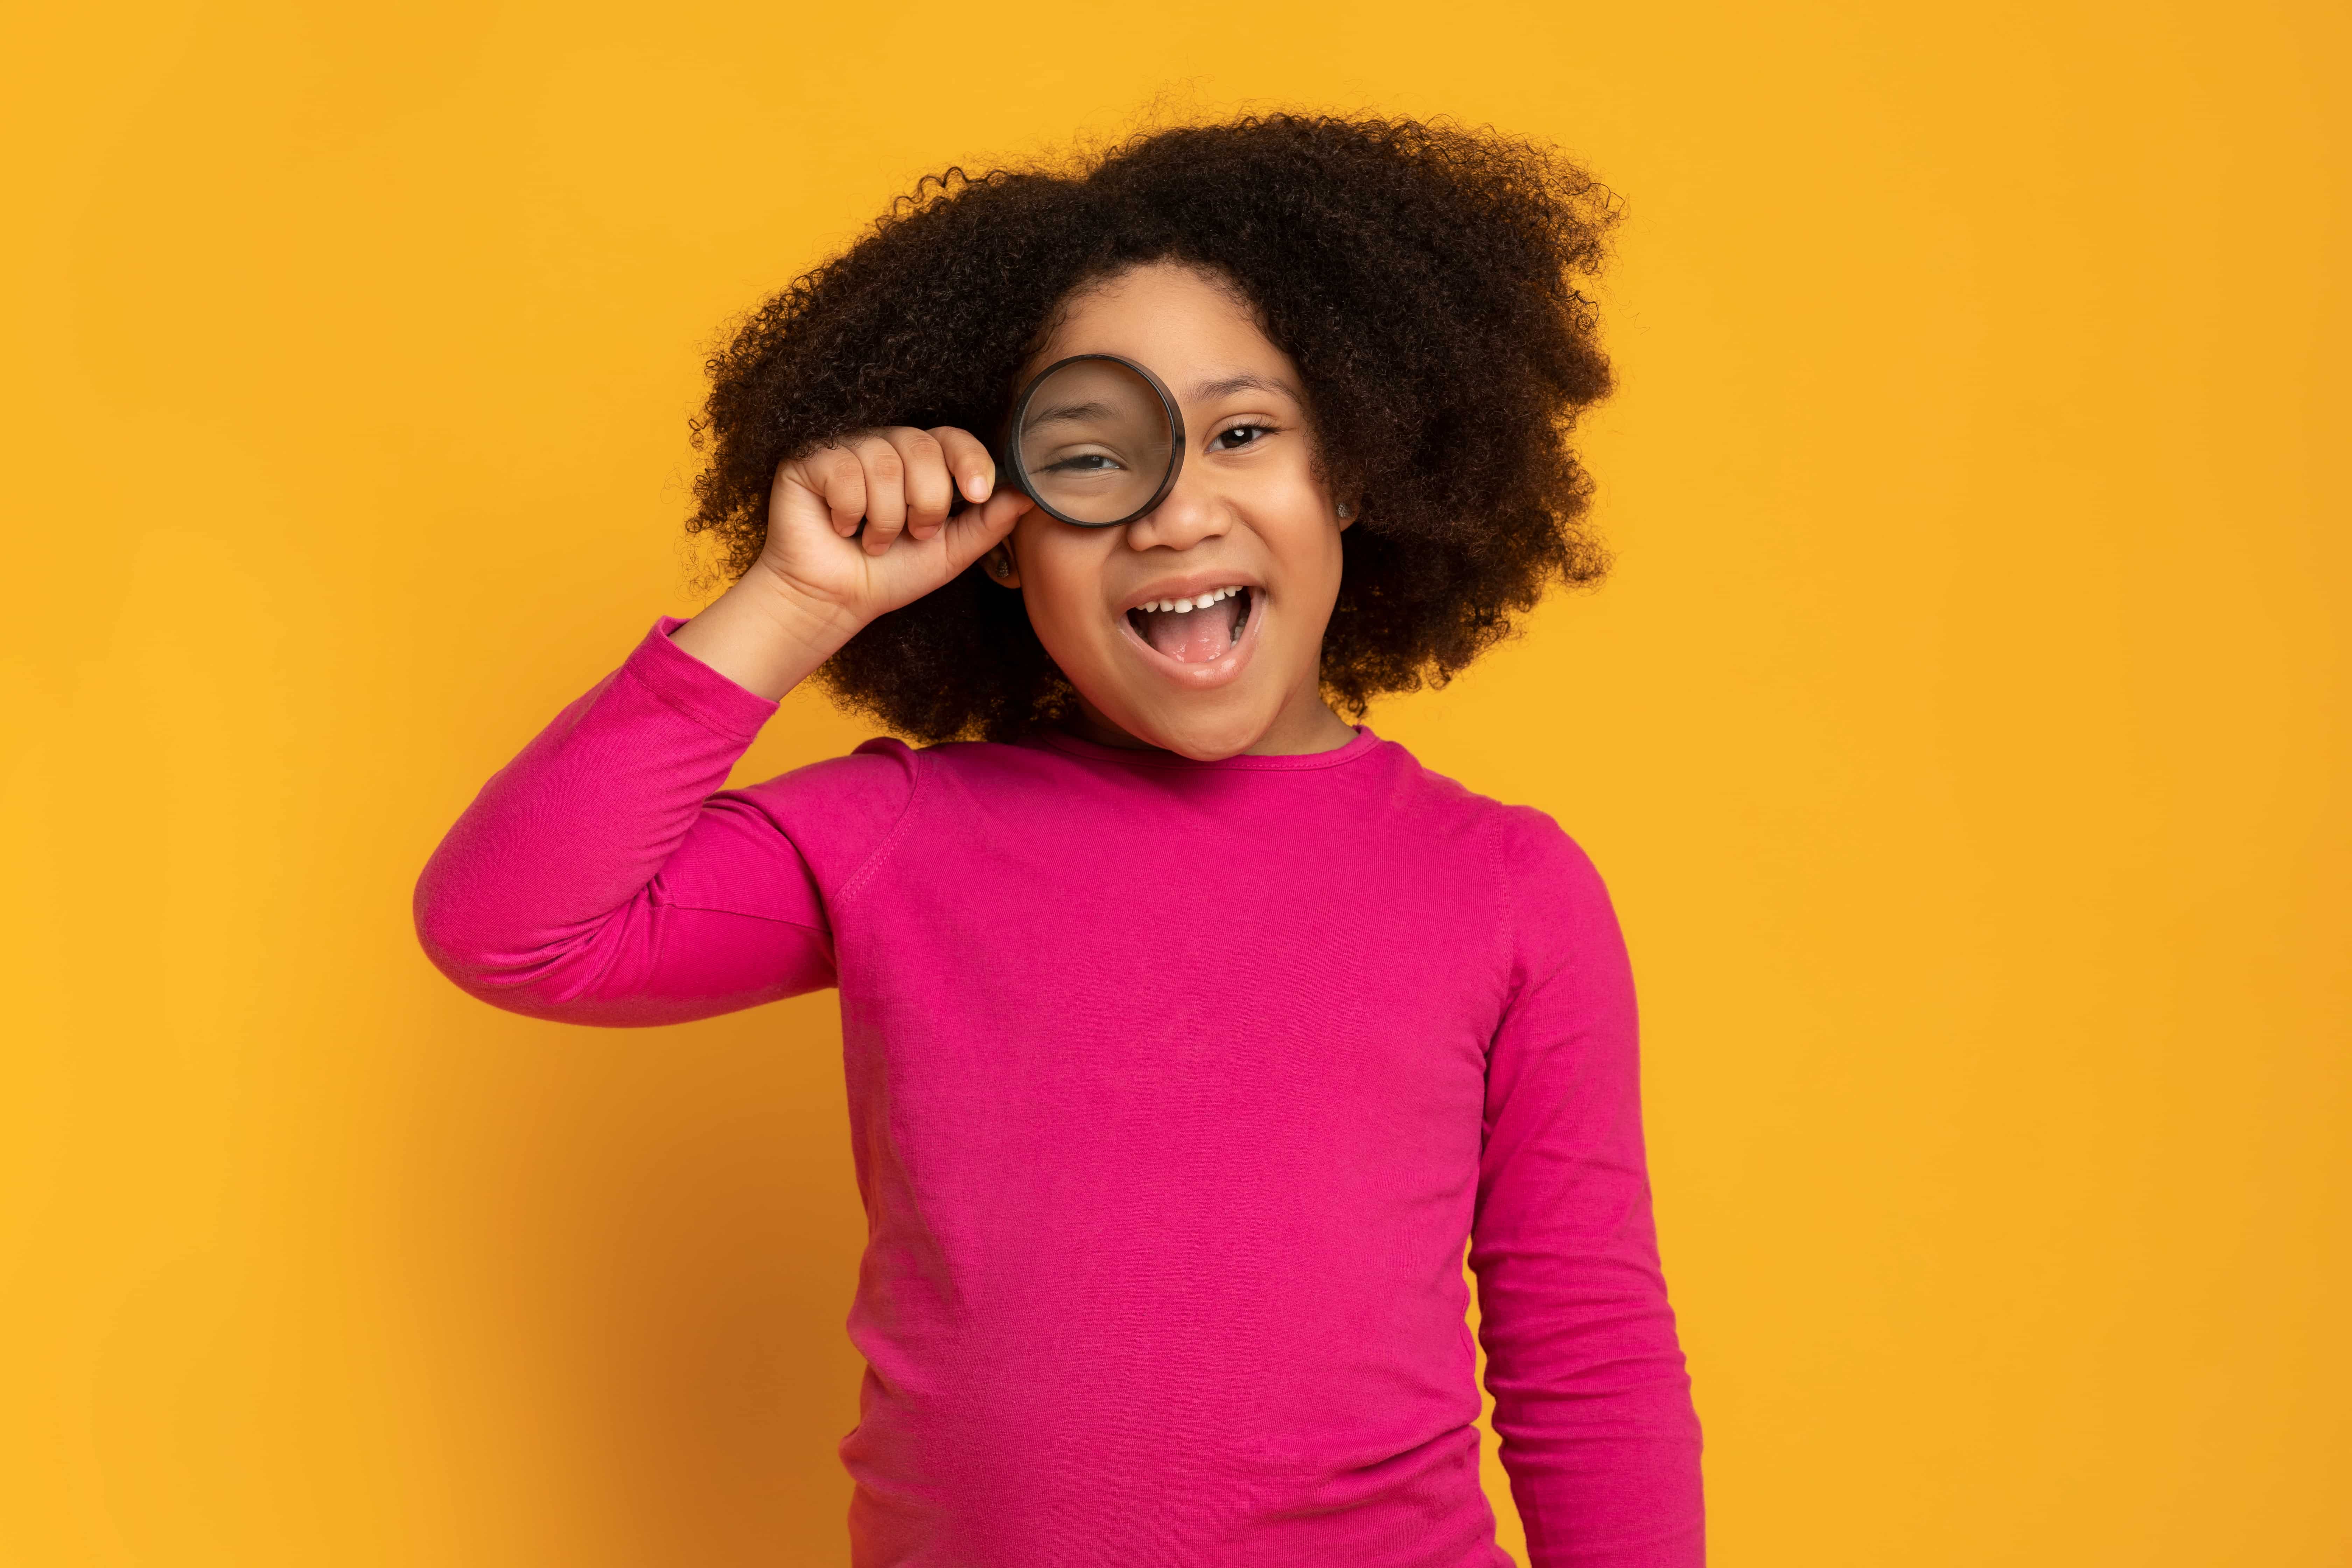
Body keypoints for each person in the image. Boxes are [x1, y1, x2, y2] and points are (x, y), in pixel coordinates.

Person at [413, 113, 1704, 1568]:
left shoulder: (1508, 887)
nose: (1175, 511)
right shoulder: (903, 833)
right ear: (1003, 529)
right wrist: (791, 600)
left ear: (1348, 467)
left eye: (1240, 433)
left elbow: (1586, 1352)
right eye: (1093, 461)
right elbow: (514, 925)